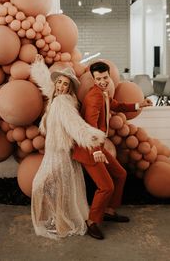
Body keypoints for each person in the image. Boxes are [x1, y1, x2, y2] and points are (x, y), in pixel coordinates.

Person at [73, 61, 153, 240]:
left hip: (98, 146)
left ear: (109, 76)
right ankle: (92, 222)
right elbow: (90, 126)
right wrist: (95, 150)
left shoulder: (104, 94)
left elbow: (116, 105)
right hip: (89, 148)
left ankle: (109, 210)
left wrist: (139, 105)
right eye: (99, 79)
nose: (103, 81)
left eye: (105, 77)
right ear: (93, 79)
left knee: (120, 174)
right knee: (106, 186)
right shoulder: (94, 97)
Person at [30, 55, 105, 239]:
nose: (61, 86)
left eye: (65, 84)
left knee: (45, 186)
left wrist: (91, 137)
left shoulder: (63, 103)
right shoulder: (55, 98)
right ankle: (59, 219)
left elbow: (75, 125)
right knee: (58, 188)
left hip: (60, 154)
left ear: (69, 88)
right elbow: (47, 85)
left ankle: (63, 221)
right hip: (51, 152)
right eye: (59, 83)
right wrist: (39, 66)